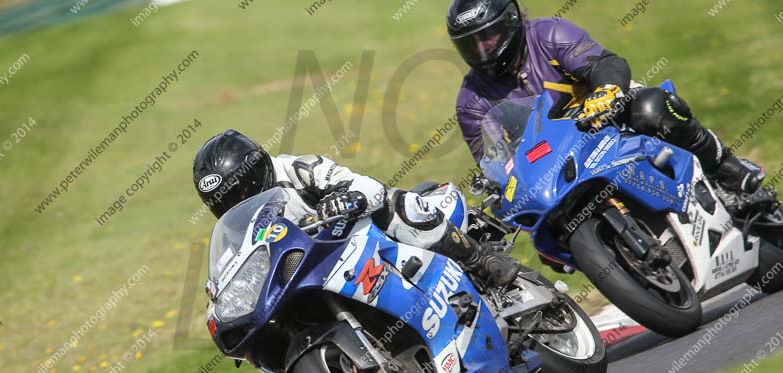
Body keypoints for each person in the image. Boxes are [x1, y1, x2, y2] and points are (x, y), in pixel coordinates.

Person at [447, 0, 766, 194]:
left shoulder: (549, 34)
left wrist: (607, 91)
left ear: (510, 22)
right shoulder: (471, 101)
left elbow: (605, 64)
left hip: (608, 120)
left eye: (488, 37)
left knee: (652, 109)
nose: (482, 49)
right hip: (555, 163)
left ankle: (726, 168)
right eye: (471, 43)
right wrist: (499, 183)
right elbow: (492, 163)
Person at [192, 129, 520, 286]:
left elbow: (369, 187)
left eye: (242, 191)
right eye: (225, 202)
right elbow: (228, 276)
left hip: (360, 242)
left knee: (398, 203)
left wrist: (349, 199)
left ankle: (480, 259)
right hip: (316, 278)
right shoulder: (235, 231)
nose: (238, 203)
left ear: (257, 170)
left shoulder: (299, 169)